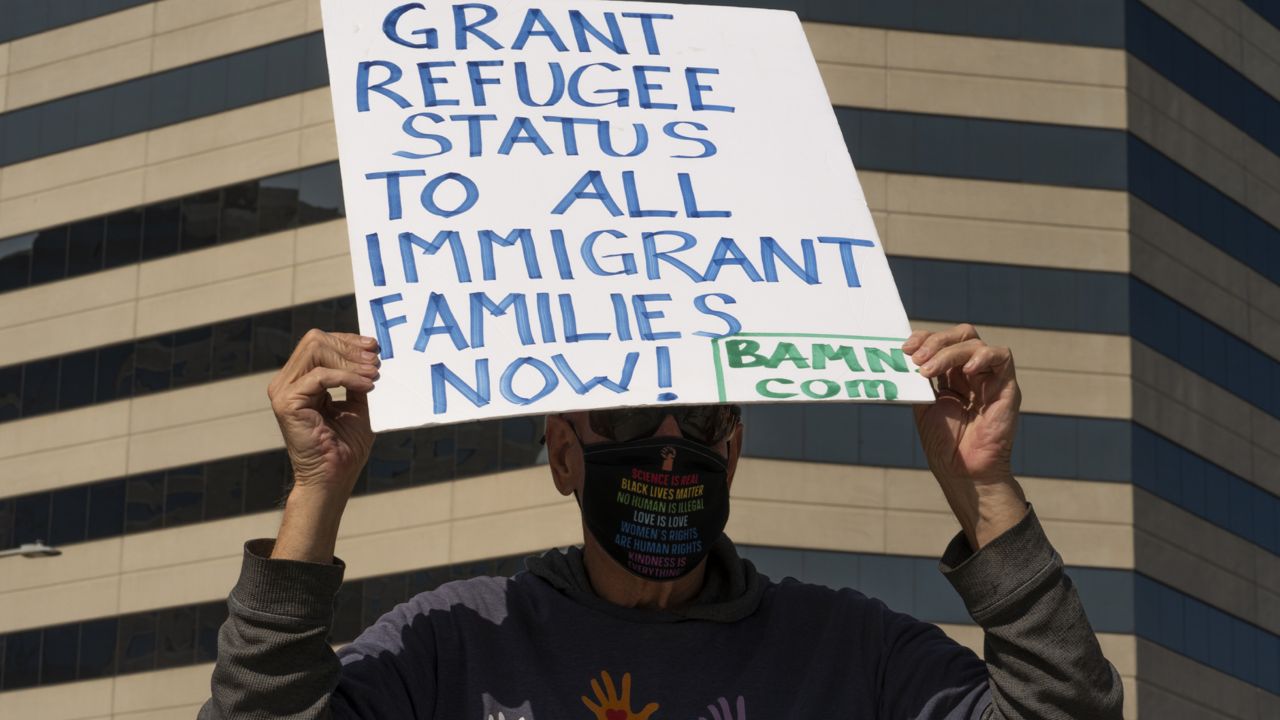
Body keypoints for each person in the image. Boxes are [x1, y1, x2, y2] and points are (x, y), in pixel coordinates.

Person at [198, 323, 1123, 719]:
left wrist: (982, 485)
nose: (671, 443)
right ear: (564, 454)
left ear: (734, 449)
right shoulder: (458, 645)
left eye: (702, 422)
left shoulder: (849, 653)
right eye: (636, 419)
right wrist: (317, 486)